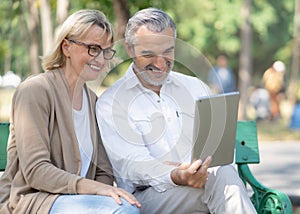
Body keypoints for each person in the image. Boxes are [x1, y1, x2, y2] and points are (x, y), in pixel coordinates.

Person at [96, 7, 256, 213]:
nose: (160, 63)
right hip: (148, 198)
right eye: (149, 54)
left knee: (222, 175)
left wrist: (202, 168)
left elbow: (219, 146)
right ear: (129, 49)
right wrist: (175, 175)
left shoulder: (195, 87)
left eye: (168, 51)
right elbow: (131, 166)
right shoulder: (112, 102)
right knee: (223, 182)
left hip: (205, 184)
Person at [0, 9, 140, 214]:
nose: (101, 59)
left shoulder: (94, 102)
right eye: (93, 48)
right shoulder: (35, 91)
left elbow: (103, 170)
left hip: (80, 203)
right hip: (32, 201)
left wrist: (102, 189)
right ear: (66, 46)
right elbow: (36, 171)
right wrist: (95, 188)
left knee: (128, 205)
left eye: (106, 51)